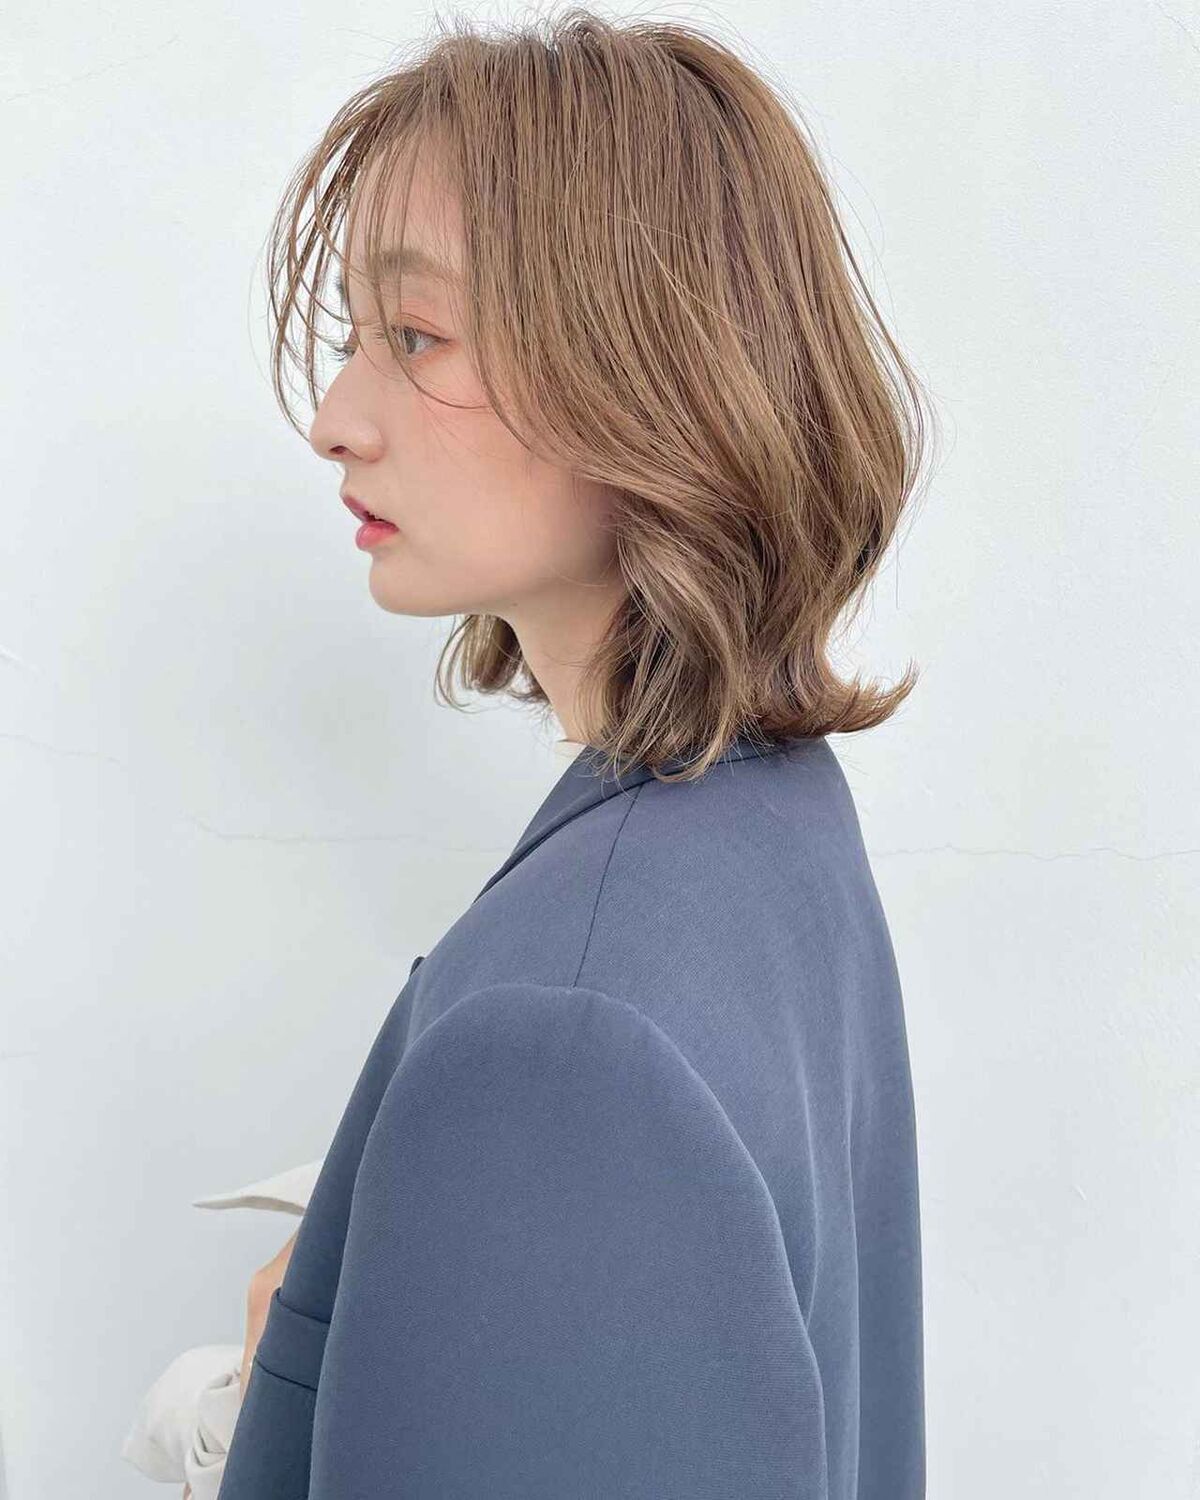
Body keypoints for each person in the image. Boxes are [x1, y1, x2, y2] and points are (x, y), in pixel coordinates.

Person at [216, 9, 934, 1497]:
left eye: (417, 336)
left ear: (652, 372)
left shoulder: (562, 1047)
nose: (336, 420)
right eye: (352, 336)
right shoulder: (772, 826)